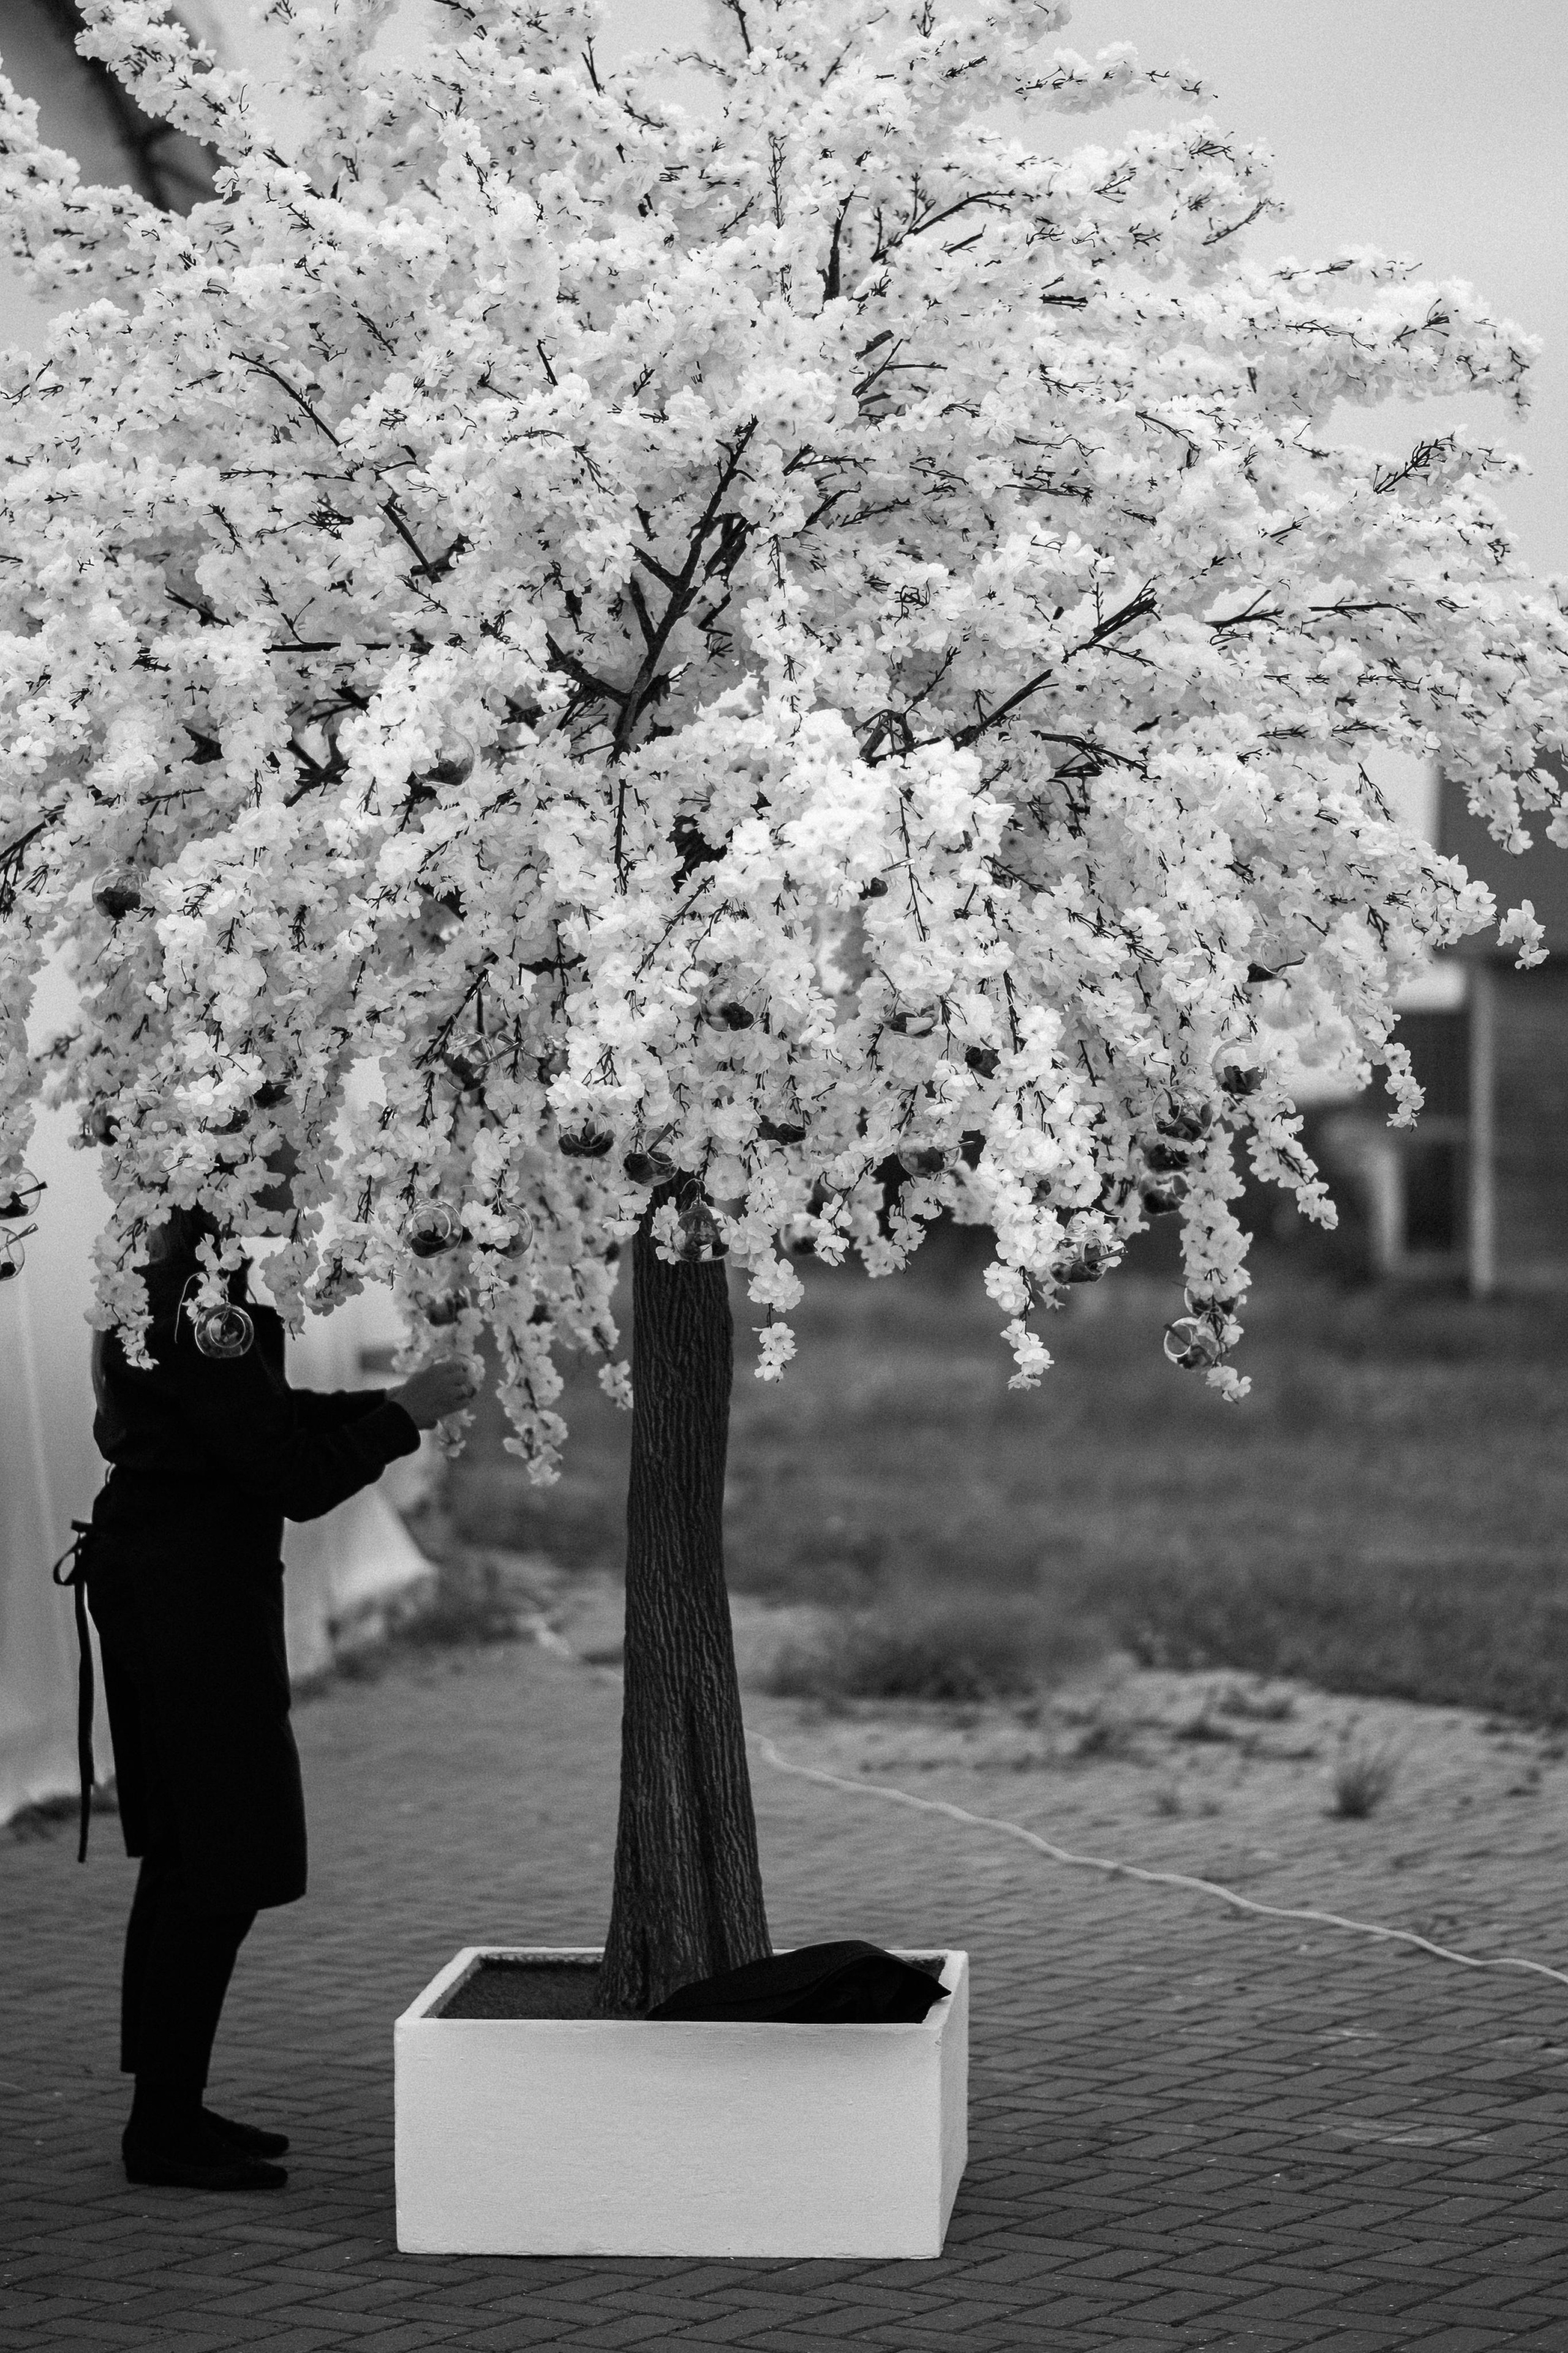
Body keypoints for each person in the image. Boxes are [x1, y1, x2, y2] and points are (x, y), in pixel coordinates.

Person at [82, 1157, 472, 2192]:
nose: (303, 1178)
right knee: (222, 1852)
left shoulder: (172, 1291)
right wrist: (403, 1421)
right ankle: (162, 2125)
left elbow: (262, 1414)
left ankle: (167, 2107)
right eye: (281, 1160)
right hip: (187, 1599)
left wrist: (389, 1401)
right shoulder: (211, 1307)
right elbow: (288, 1477)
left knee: (189, 1852)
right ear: (217, 1179)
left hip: (173, 1582)